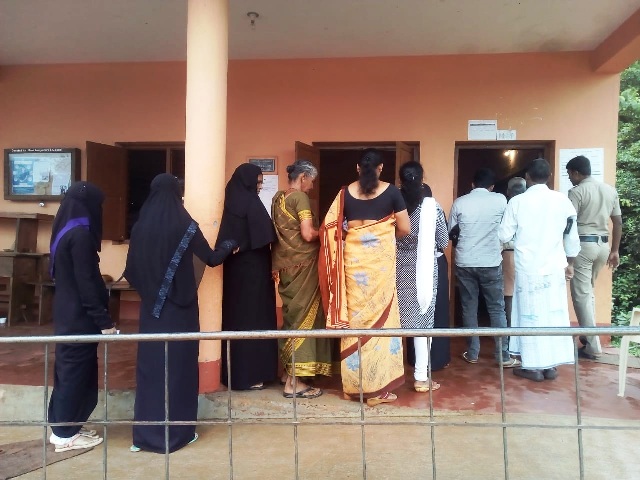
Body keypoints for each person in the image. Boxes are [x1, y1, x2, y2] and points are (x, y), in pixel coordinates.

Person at [124, 173, 237, 453]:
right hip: (180, 312)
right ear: (177, 195)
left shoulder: (140, 227)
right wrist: (228, 245)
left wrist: (152, 292)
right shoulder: (184, 224)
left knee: (151, 371)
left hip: (151, 313)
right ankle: (177, 435)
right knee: (178, 370)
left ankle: (144, 438)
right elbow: (211, 259)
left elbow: (132, 271)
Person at [319, 148, 410, 406]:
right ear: (381, 168)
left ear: (358, 168)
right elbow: (404, 228)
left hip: (353, 266)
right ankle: (376, 391)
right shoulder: (392, 192)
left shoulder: (344, 193)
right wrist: (381, 238)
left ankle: (353, 387)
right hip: (379, 268)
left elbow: (330, 229)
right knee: (380, 324)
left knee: (355, 323)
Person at [498, 158, 581, 382]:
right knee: (553, 315)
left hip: (528, 268)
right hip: (554, 267)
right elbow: (571, 237)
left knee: (529, 316)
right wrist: (570, 263)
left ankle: (532, 366)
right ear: (550, 176)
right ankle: (550, 366)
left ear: (527, 177)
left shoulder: (517, 202)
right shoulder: (563, 201)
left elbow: (503, 234)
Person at [47, 182, 113, 453]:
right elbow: (86, 284)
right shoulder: (81, 237)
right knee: (74, 374)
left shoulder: (64, 231)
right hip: (79, 317)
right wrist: (104, 321)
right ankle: (63, 435)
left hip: (67, 313)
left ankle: (69, 425)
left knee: (70, 372)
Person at [271, 159, 332, 399]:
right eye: (312, 181)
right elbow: (307, 234)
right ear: (303, 177)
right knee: (304, 319)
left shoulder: (278, 198)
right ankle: (294, 383)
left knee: (292, 317)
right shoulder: (300, 198)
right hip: (305, 266)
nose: (312, 186)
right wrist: (327, 231)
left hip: (286, 267)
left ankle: (287, 373)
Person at [449, 168, 519, 367]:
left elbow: (451, 232)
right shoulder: (500, 200)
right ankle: (502, 356)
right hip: (491, 262)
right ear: (492, 186)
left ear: (472, 184)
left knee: (469, 307)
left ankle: (472, 353)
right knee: (496, 308)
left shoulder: (460, 202)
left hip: (465, 261)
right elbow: (507, 228)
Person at [218, 163, 279, 390]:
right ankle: (254, 374)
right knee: (255, 318)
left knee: (239, 319)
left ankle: (237, 374)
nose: (260, 186)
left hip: (236, 273)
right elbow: (264, 235)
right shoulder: (250, 203)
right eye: (258, 182)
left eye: (262, 182)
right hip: (254, 273)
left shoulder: (232, 203)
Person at [396, 162, 449, 392]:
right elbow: (443, 241)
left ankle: (387, 378)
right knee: (422, 321)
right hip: (424, 270)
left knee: (392, 321)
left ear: (400, 180)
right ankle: (420, 378)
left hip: (395, 268)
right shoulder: (432, 207)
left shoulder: (392, 204)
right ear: (421, 179)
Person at [566, 155, 622, 360]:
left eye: (570, 174)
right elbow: (618, 222)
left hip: (583, 245)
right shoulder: (610, 190)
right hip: (603, 246)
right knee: (588, 292)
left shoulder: (576, 192)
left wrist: (568, 257)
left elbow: (569, 224)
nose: (569, 178)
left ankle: (593, 344)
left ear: (576, 172)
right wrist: (615, 250)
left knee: (581, 296)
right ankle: (589, 337)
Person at [502, 177, 527, 327]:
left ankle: (511, 331)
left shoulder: (508, 206)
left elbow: (503, 235)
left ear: (508, 191)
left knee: (509, 293)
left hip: (510, 253)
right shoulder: (532, 205)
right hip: (531, 254)